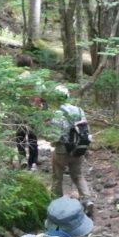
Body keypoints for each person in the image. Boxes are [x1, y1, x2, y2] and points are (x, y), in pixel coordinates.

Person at [50, 87, 95, 216]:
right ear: (67, 96)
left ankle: (57, 203)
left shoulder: (57, 113)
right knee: (78, 176)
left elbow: (56, 134)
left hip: (62, 150)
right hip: (78, 149)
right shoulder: (79, 110)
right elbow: (86, 130)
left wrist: (52, 142)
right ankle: (87, 201)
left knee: (57, 176)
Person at [15, 95, 44, 170]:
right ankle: (23, 160)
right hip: (21, 119)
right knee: (21, 140)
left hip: (31, 119)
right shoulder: (21, 95)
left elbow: (41, 102)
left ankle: (32, 161)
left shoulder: (37, 88)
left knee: (32, 141)